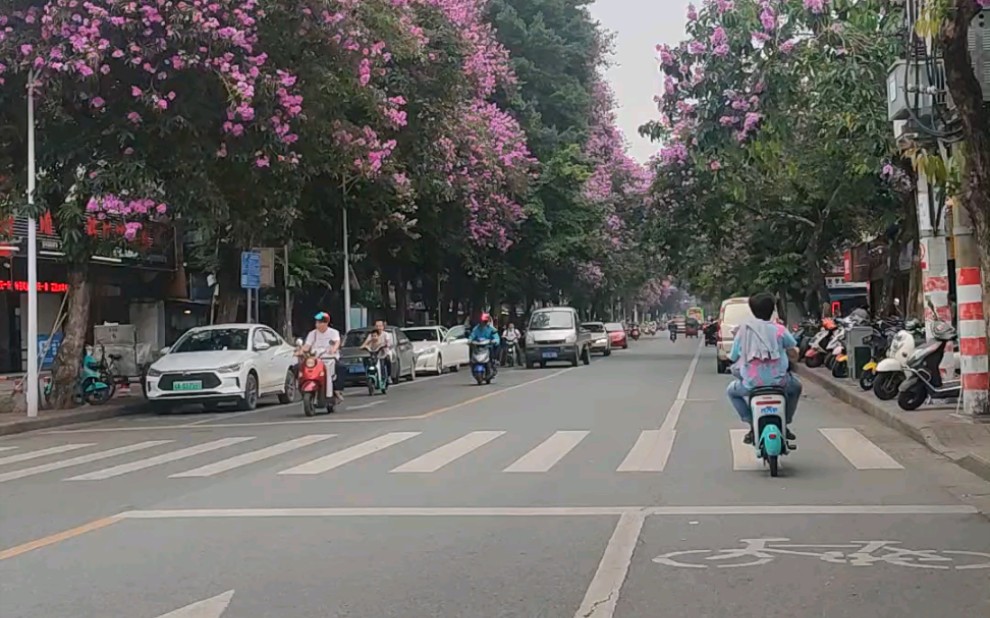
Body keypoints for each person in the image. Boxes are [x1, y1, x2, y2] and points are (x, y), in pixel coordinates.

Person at [726, 292, 801, 444]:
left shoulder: (743, 331)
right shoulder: (779, 329)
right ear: (773, 309)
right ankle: (785, 422)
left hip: (751, 384)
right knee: (796, 387)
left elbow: (733, 357)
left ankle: (751, 422)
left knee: (731, 392)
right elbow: (793, 349)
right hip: (780, 383)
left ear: (752, 310)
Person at [301, 312, 343, 403]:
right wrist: (301, 351)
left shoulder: (333, 332)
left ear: (326, 323)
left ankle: (337, 390)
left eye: (320, 322)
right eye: (317, 322)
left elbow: (337, 342)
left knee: (340, 368)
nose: (318, 324)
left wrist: (334, 350)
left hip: (330, 358)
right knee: (299, 367)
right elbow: (307, 345)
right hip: (315, 359)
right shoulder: (312, 334)